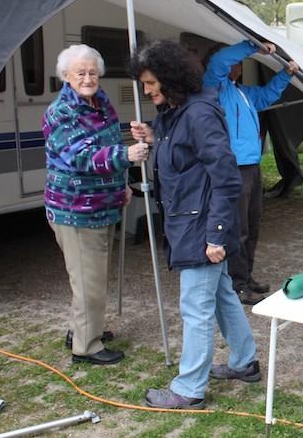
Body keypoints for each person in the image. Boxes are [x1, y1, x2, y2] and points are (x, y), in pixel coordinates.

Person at [129, 40, 261, 410]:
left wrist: (217, 234)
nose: (146, 90)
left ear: (170, 78)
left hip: (202, 228)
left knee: (196, 308)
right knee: (222, 297)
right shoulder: (176, 110)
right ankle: (244, 362)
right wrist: (155, 136)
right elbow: (184, 152)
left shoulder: (200, 113)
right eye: (144, 84)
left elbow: (227, 177)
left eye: (151, 82)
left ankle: (189, 388)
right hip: (189, 222)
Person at [43, 44, 148, 365]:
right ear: (66, 76)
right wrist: (126, 156)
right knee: (89, 281)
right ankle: (86, 347)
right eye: (80, 73)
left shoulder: (100, 102)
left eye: (92, 72)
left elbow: (109, 143)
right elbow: (80, 157)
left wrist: (123, 185)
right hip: (75, 210)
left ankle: (83, 329)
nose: (88, 78)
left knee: (92, 277)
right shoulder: (61, 112)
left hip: (103, 205)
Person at [203, 40, 299, 305]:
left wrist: (286, 75)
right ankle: (237, 284)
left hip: (251, 165)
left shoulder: (241, 91)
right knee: (238, 228)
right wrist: (252, 46)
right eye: (236, 62)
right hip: (233, 166)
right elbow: (219, 61)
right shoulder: (214, 86)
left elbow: (267, 96)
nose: (239, 66)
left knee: (253, 224)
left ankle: (246, 276)